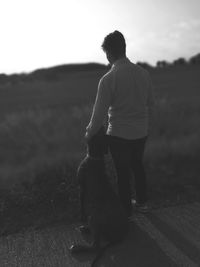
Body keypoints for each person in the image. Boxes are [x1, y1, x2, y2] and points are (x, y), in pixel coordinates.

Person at [85, 30, 155, 216]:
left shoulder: (108, 79)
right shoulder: (144, 74)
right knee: (137, 166)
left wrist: (90, 133)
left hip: (118, 134)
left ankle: (126, 211)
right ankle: (142, 203)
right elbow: (150, 103)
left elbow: (98, 115)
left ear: (108, 53)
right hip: (141, 132)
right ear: (124, 48)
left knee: (122, 174)